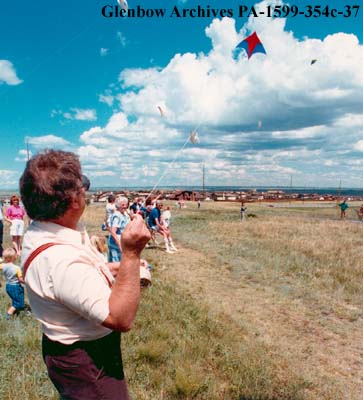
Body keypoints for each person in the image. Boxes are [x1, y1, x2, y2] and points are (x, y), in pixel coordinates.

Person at [20, 149, 150, 400]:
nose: (86, 191)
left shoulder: (48, 231)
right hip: (88, 360)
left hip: (74, 353)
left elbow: (73, 281)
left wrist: (120, 268)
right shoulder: (61, 260)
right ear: (74, 201)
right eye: (83, 185)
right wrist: (131, 253)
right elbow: (119, 318)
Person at [1, 247, 25, 319]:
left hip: (8, 286)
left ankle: (22, 309)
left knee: (17, 299)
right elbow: (20, 279)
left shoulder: (3, 266)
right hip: (16, 286)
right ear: (14, 257)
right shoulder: (17, 268)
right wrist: (27, 282)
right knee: (18, 303)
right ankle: (8, 315)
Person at [108, 196, 131, 262]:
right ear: (118, 206)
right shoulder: (117, 215)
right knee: (117, 263)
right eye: (122, 205)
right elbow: (113, 232)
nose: (125, 206)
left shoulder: (124, 214)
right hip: (116, 244)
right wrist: (120, 245)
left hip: (123, 241)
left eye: (126, 205)